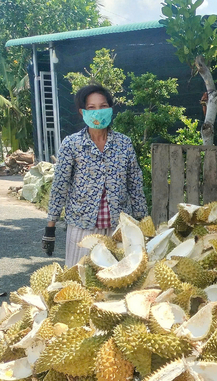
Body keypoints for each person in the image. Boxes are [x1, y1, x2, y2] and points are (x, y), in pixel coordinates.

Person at [42, 84, 148, 267]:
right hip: (83, 229)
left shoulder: (124, 144)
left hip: (118, 229)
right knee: (79, 281)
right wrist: (50, 228)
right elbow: (60, 186)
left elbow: (135, 186)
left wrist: (144, 222)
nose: (98, 112)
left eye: (103, 106)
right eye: (91, 108)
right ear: (83, 112)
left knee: (115, 282)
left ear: (110, 109)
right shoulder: (72, 144)